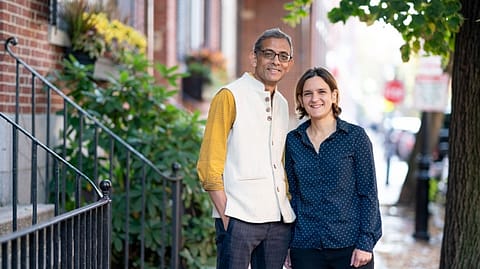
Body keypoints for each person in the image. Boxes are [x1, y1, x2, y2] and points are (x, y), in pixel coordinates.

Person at [196, 28, 296, 269]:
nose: (276, 61)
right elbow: (209, 164)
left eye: (283, 56)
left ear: (289, 64)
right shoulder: (229, 96)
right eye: (269, 53)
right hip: (238, 217)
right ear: (254, 58)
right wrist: (227, 215)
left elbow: (281, 164)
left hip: (278, 222)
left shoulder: (282, 104)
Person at [284, 67, 382, 269]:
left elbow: (368, 194)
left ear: (334, 96)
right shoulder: (293, 141)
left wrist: (366, 243)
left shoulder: (355, 138)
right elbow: (292, 196)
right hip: (305, 247)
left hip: (350, 248)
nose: (314, 99)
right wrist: (288, 244)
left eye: (321, 92)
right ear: (301, 100)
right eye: (307, 93)